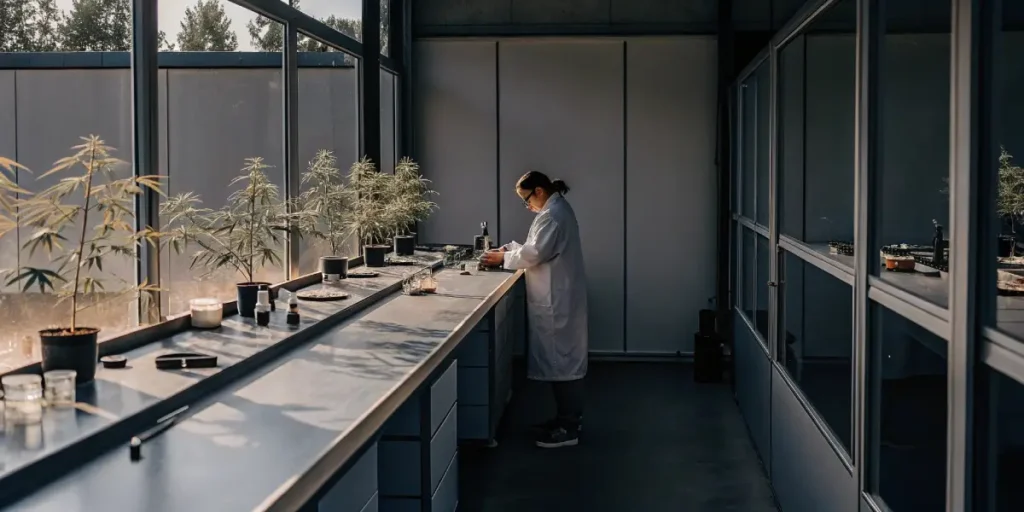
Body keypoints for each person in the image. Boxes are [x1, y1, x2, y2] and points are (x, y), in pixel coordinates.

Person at [480, 171, 588, 448]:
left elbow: (535, 254)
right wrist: (509, 249)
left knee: (563, 364)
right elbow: (535, 248)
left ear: (539, 191)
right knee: (560, 362)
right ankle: (564, 419)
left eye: (526, 199)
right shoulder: (555, 210)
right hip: (556, 298)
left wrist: (502, 257)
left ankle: (569, 428)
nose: (527, 206)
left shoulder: (552, 215)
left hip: (558, 302)